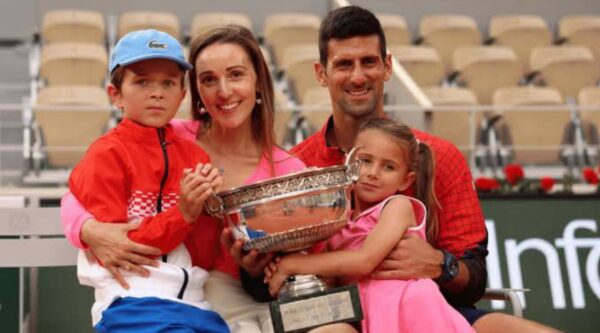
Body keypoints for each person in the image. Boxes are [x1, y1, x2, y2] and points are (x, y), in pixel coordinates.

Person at [232, 6, 561, 333]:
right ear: (321, 73)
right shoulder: (297, 166)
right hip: (338, 316)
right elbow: (272, 287)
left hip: (431, 310)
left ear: (387, 66)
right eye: (344, 64)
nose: (358, 76)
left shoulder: (440, 155)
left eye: (369, 62)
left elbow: (474, 279)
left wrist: (439, 265)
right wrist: (255, 270)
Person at [60, 25, 354, 333]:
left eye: (236, 75)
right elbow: (79, 192)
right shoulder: (165, 133)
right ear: (195, 92)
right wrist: (88, 229)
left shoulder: (288, 168)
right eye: (209, 80)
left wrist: (254, 267)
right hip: (192, 298)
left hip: (260, 300)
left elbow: (313, 262)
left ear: (258, 82)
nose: (224, 91)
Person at [67, 29, 229, 332]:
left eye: (168, 83)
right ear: (115, 95)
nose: (157, 93)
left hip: (195, 304)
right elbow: (121, 252)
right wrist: (183, 214)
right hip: (130, 303)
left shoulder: (196, 157)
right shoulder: (105, 154)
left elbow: (203, 256)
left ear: (182, 95)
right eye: (142, 82)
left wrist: (209, 212)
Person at [265, 118, 475, 332]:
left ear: (406, 180)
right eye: (365, 160)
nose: (373, 173)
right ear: (348, 163)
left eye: (388, 166)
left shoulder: (398, 207)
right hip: (371, 314)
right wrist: (290, 268)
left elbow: (364, 261)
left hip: (414, 309)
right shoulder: (338, 219)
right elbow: (333, 274)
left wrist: (291, 265)